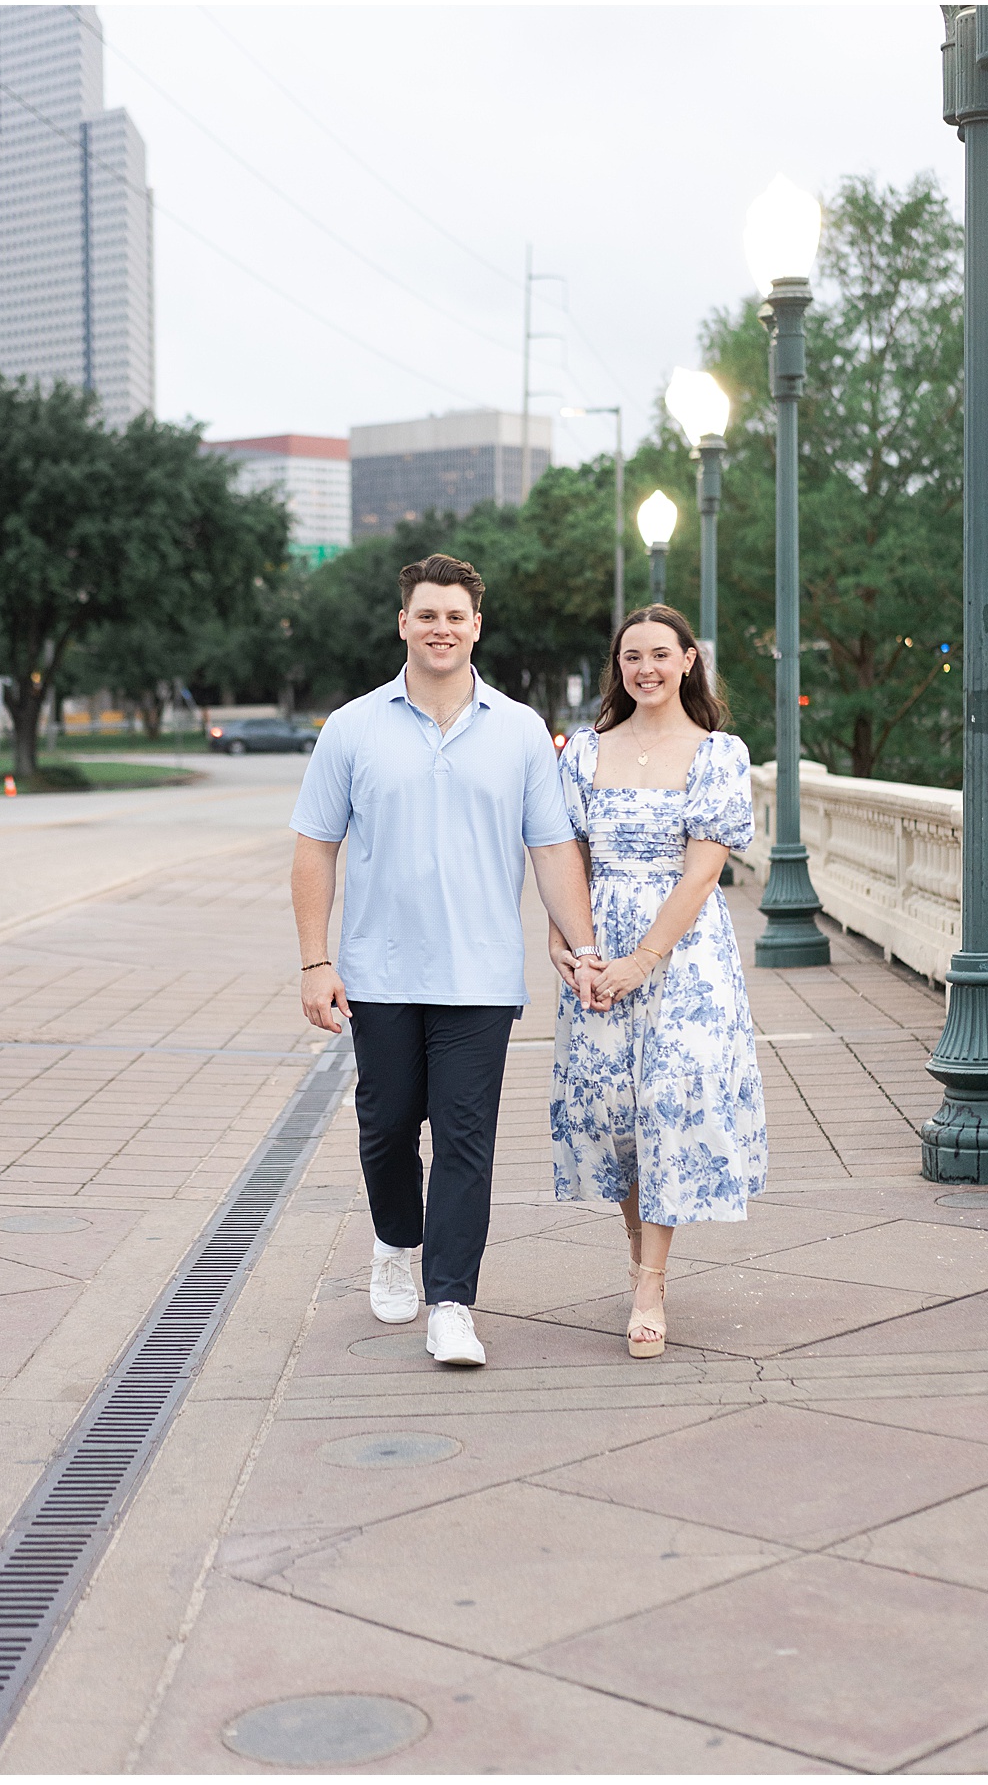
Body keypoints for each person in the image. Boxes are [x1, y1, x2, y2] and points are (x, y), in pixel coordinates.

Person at [290, 553, 602, 1367]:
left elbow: (554, 848)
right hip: (380, 971)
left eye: (455, 617)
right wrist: (314, 961)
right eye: (427, 615)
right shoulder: (353, 726)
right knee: (387, 1129)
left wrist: (585, 944)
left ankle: (452, 1302)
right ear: (404, 623)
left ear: (476, 627)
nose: (441, 629)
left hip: (481, 976)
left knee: (467, 1141)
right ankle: (397, 1240)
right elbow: (315, 848)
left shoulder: (522, 730)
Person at [549, 604, 767, 1358]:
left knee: (668, 1104)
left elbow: (704, 872)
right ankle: (641, 1252)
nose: (645, 669)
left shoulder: (717, 754)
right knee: (617, 1113)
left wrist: (643, 960)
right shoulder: (581, 752)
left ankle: (651, 1285)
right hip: (597, 943)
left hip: (683, 955)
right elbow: (562, 855)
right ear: (619, 666)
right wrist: (565, 941)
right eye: (631, 656)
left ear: (688, 660)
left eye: (659, 655)